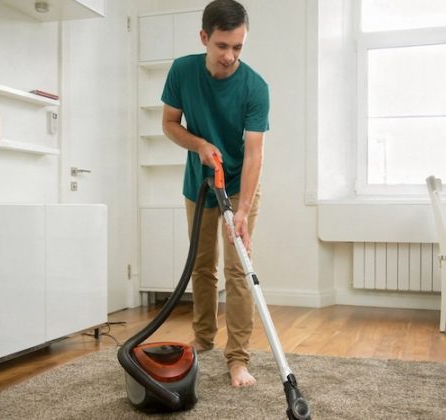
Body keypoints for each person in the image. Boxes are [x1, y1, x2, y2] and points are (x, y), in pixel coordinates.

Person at [160, 0, 269, 388]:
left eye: (238, 47)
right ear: (204, 37)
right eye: (222, 46)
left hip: (240, 185)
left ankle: (238, 359)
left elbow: (255, 152)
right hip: (200, 183)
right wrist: (199, 145)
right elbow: (169, 124)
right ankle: (203, 341)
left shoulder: (255, 86)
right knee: (202, 267)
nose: (229, 56)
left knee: (239, 269)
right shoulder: (183, 71)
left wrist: (241, 211)